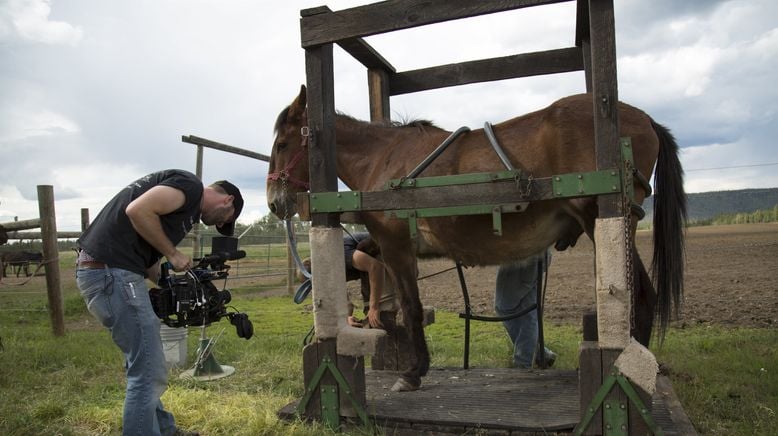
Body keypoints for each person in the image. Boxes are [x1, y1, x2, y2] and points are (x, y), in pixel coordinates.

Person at [75, 169, 243, 436]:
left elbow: (149, 258)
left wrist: (171, 283)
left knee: (145, 363)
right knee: (148, 372)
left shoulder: (180, 212)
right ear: (228, 201)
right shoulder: (191, 186)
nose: (216, 225)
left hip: (109, 273)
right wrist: (173, 253)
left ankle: (165, 431)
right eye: (224, 220)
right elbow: (137, 210)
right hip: (112, 273)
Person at [495, 250, 557, 369]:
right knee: (526, 309)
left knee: (506, 308)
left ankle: (524, 362)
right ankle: (539, 354)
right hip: (531, 253)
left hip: (523, 255)